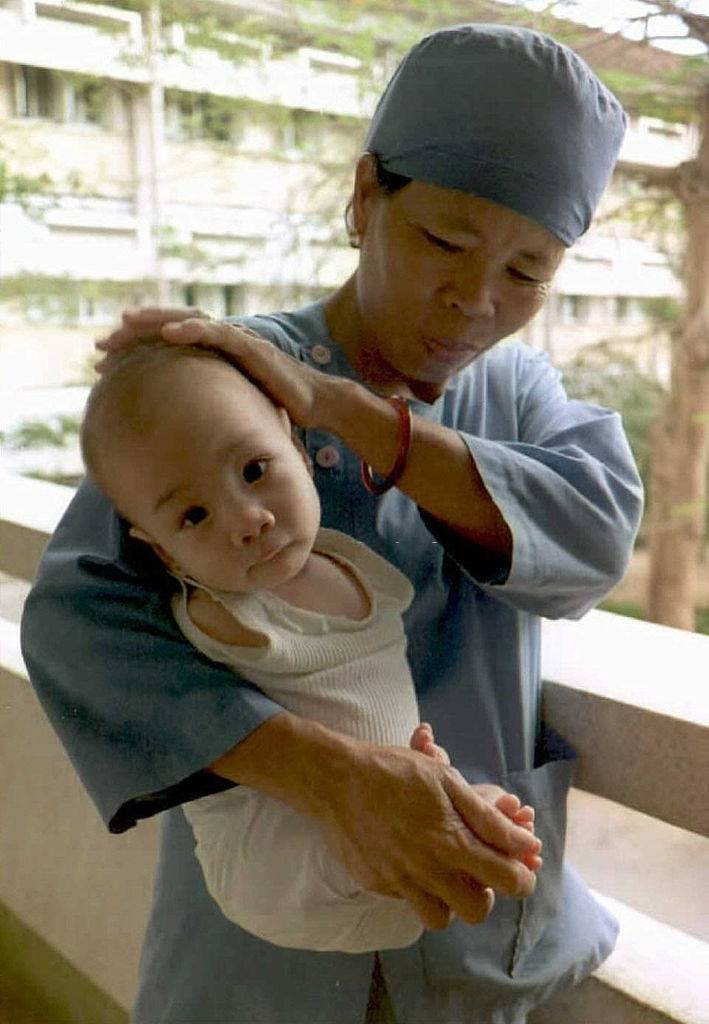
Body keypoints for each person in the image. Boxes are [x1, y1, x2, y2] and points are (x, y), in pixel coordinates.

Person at [21, 22, 643, 1024]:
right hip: (263, 954)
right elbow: (76, 621)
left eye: (527, 272)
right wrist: (332, 776)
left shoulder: (518, 394)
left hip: (471, 938)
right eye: (445, 241)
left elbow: (597, 534)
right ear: (365, 199)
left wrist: (352, 414)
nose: (475, 302)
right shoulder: (225, 378)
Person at [79, 341, 540, 954]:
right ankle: (409, 841)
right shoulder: (219, 611)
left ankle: (464, 817)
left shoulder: (355, 565)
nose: (247, 520)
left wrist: (418, 766)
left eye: (253, 472)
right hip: (267, 864)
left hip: (392, 859)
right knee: (309, 850)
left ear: (296, 444)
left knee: (442, 797)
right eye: (193, 517)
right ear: (161, 551)